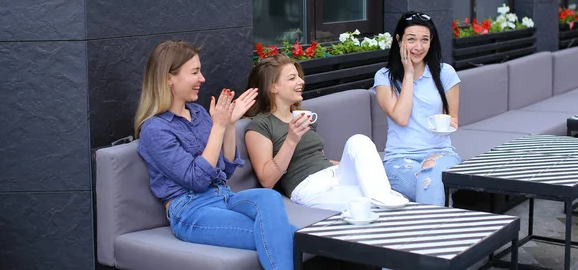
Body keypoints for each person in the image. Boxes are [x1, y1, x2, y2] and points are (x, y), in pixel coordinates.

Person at [135, 40, 295, 270]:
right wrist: (218, 127)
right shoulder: (155, 130)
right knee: (285, 236)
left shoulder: (198, 113)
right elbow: (197, 181)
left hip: (224, 197)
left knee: (270, 198)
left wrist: (229, 125)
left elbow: (226, 168)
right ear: (169, 78)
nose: (202, 79)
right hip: (191, 211)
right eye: (195, 72)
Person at [244, 54, 408, 212]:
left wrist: (364, 167)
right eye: (292, 78)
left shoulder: (303, 117)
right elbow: (267, 180)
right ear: (273, 87)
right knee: (374, 201)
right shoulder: (261, 125)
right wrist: (291, 140)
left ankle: (383, 196)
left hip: (333, 174)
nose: (301, 81)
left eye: (299, 77)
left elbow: (318, 158)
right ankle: (386, 201)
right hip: (308, 187)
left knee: (359, 141)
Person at [373, 11, 461, 206]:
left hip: (441, 154)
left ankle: (430, 233)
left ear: (431, 42)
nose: (418, 47)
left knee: (431, 180)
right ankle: (442, 231)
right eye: (411, 39)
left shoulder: (445, 73)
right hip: (399, 159)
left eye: (424, 40)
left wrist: (446, 124)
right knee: (431, 186)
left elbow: (453, 119)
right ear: (398, 40)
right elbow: (401, 118)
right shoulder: (383, 77)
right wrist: (408, 74)